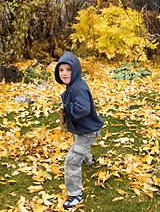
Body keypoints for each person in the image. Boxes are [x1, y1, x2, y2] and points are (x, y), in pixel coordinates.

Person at [54, 51, 104, 210]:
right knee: (79, 144)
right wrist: (64, 108)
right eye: (61, 70)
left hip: (87, 132)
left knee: (72, 161)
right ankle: (89, 160)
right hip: (82, 130)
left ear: (75, 70)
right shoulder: (73, 85)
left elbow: (83, 109)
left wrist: (67, 108)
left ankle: (76, 195)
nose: (64, 73)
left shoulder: (79, 88)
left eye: (68, 69)